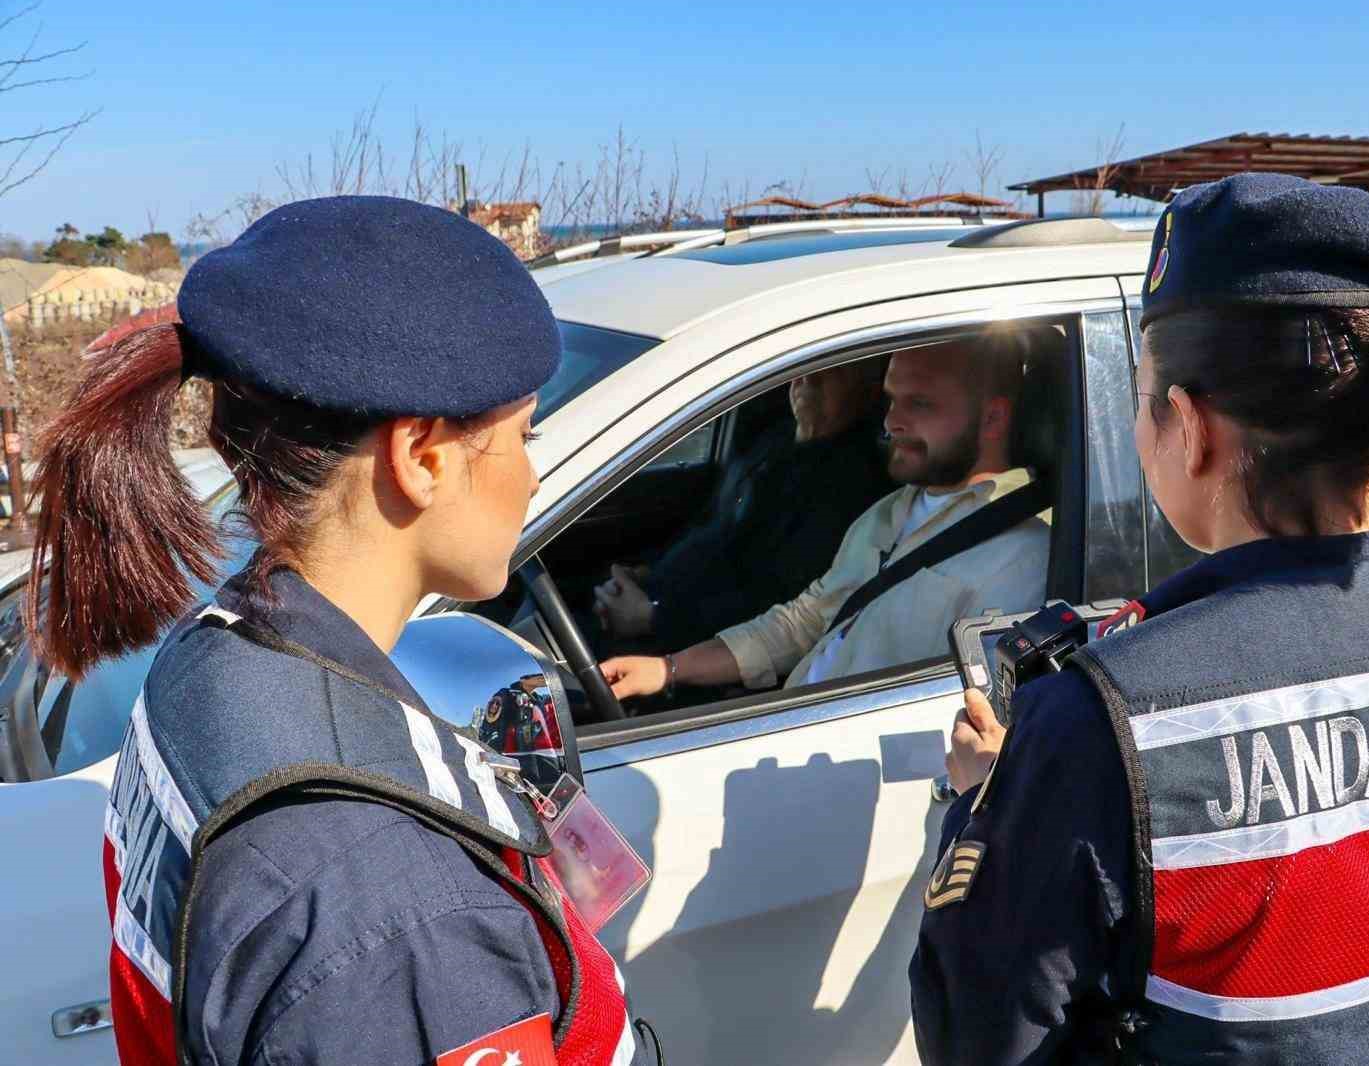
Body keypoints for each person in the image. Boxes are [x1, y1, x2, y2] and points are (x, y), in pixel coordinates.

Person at [910, 173, 1369, 1065]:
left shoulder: (1099, 719)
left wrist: (979, 801)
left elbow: (984, 1038)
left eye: (1141, 401)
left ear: (1190, 426)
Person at [29, 197, 659, 1066]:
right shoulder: (409, 925)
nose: (532, 470)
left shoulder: (215, 656)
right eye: (524, 433)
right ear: (422, 457)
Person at [599, 331, 1053, 701]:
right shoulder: (889, 511)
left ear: (992, 419)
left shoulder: (1025, 549)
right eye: (891, 399)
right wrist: (667, 668)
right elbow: (804, 621)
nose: (891, 421)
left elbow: (968, 708)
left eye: (920, 404)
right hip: (787, 717)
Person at [592, 358, 891, 651]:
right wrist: (644, 573)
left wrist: (652, 617)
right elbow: (710, 526)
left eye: (833, 372)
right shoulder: (774, 440)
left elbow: (778, 604)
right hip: (661, 597)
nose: (807, 379)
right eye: (808, 366)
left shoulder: (852, 487)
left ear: (868, 392)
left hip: (694, 641)